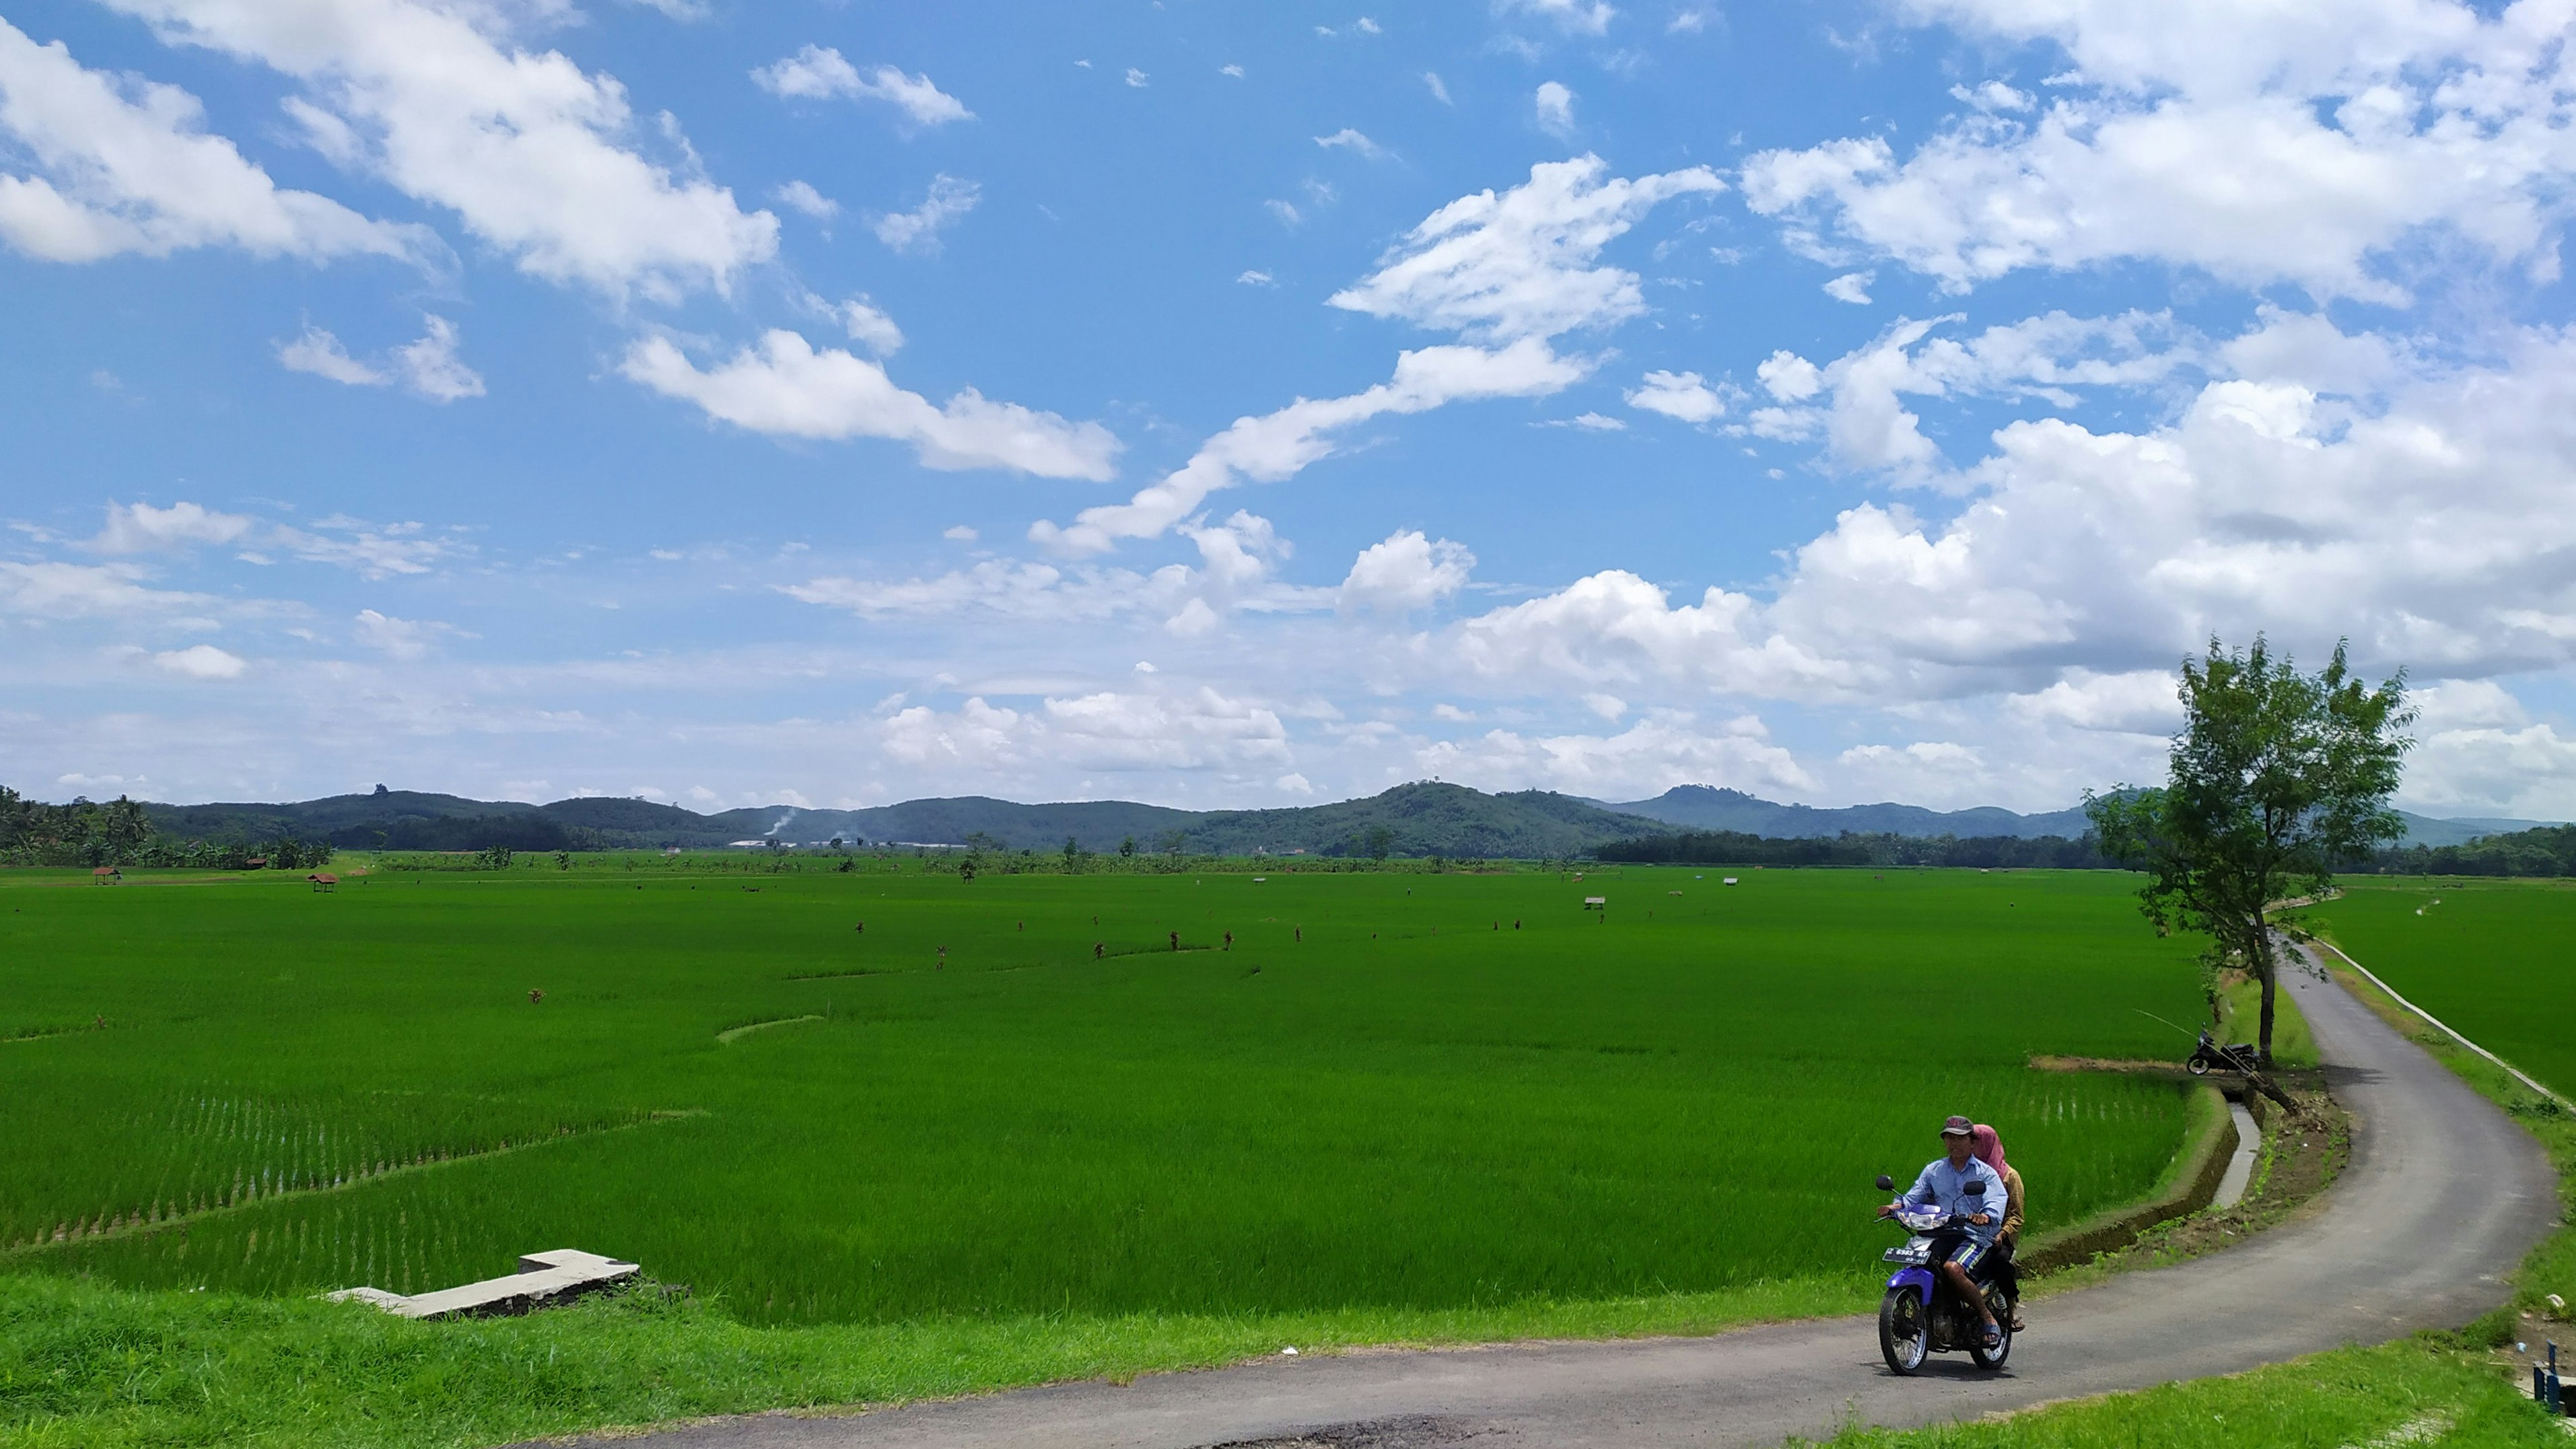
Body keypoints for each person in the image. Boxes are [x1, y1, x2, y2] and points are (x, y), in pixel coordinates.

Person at [1880, 1114, 2009, 1349]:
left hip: (1974, 1235)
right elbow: (1912, 1197)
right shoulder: (1934, 1171)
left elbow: (1996, 1200)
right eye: (1949, 1138)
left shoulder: (1985, 1174)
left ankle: (1987, 1317)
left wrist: (1986, 1215)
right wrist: (1895, 1207)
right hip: (1940, 1233)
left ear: (1972, 1142)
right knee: (1921, 1261)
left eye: (1960, 1138)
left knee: (1952, 1268)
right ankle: (1931, 1314)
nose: (1953, 1143)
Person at [1972, 1123, 2026, 1331]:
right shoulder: (1969, 1173)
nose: (1971, 1146)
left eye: (1975, 1141)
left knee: (1999, 1264)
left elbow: (2017, 1216)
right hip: (1972, 1233)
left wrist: (2002, 1234)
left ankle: (2011, 1310)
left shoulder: (2009, 1177)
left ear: (1986, 1144)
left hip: (1998, 1237)